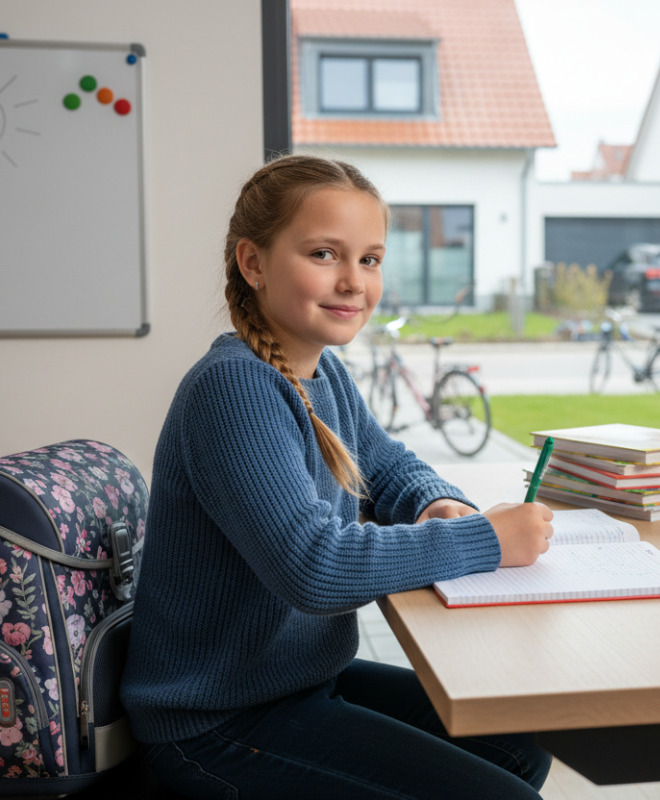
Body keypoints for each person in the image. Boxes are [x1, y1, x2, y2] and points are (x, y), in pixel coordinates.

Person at [121, 154, 555, 799]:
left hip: (295, 681)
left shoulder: (321, 374)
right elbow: (315, 567)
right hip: (214, 722)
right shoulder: (234, 387)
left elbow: (387, 469)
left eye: (371, 259)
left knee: (518, 745)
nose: (354, 281)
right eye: (325, 254)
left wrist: (438, 503)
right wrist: (486, 541)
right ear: (254, 263)